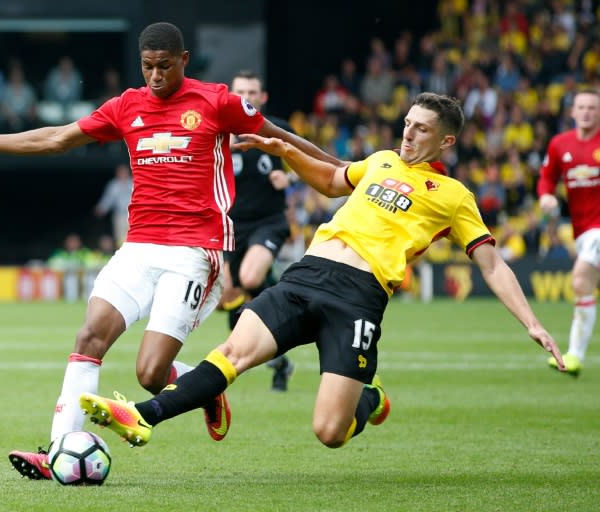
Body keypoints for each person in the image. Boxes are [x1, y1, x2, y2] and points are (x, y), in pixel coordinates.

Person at [0, 22, 339, 480]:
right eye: (148, 67)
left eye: (165, 66)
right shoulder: (126, 106)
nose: (156, 76)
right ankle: (58, 450)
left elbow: (283, 138)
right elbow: (57, 138)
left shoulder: (217, 102)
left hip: (192, 252)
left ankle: (202, 385)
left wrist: (345, 169)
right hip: (139, 248)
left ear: (184, 61)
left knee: (150, 374)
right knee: (89, 339)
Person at [78, 92, 566, 452]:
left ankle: (367, 401)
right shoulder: (380, 162)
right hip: (306, 275)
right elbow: (333, 181)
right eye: (408, 122)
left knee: (329, 433)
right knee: (232, 353)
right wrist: (285, 152)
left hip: (358, 299)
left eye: (421, 128)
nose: (409, 132)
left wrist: (533, 323)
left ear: (446, 140)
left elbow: (492, 263)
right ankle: (142, 416)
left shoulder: (455, 197)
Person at [225, 70, 295, 391]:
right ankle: (279, 360)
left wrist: (290, 179)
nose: (247, 97)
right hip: (230, 226)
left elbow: (313, 163)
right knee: (228, 294)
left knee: (251, 280)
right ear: (231, 94)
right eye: (241, 91)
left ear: (262, 97)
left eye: (253, 92)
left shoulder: (277, 130)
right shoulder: (220, 132)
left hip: (268, 221)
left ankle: (281, 296)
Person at [538, 89, 600, 377]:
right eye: (582, 107)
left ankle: (574, 355)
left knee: (580, 278)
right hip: (582, 231)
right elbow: (547, 178)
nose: (586, 112)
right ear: (572, 112)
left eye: (592, 107)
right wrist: (546, 197)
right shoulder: (560, 144)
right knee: (584, 287)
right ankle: (574, 356)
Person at [94, 163, 133, 247]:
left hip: (135, 215)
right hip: (120, 215)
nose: (122, 174)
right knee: (121, 238)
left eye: (124, 172)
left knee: (135, 238)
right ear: (117, 173)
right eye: (120, 172)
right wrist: (102, 208)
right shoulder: (113, 185)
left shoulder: (134, 183)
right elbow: (108, 199)